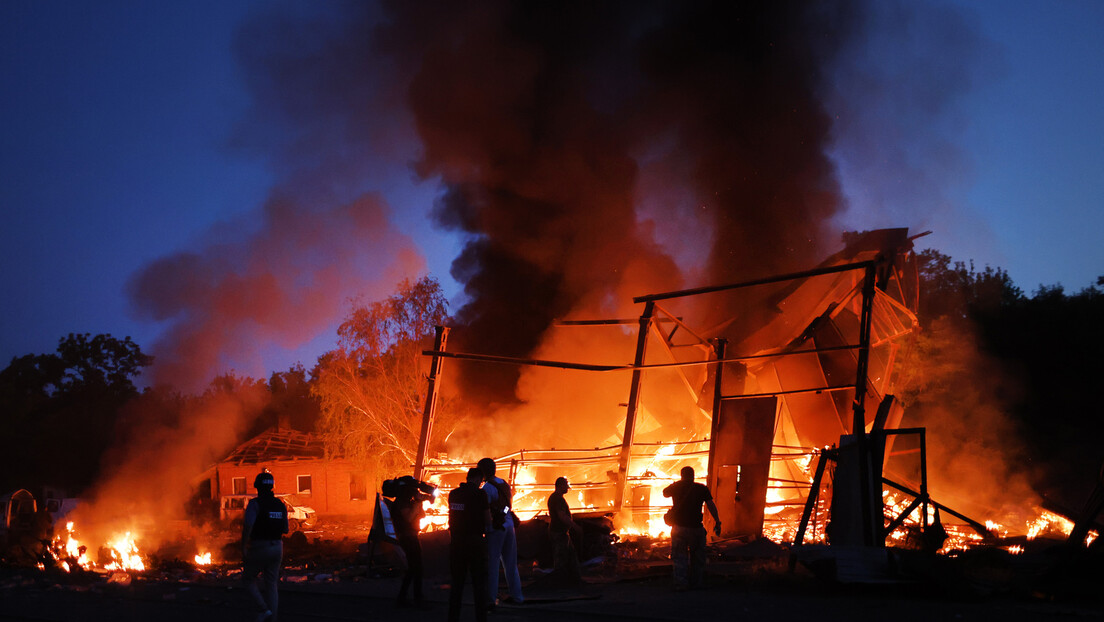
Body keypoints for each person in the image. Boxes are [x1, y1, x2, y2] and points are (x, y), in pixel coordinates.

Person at [662, 466, 721, 591]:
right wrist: (717, 521)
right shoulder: (701, 488)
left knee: (679, 557)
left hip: (679, 528)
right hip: (696, 528)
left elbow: (665, 493)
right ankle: (696, 583)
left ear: (682, 475)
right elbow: (711, 505)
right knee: (698, 558)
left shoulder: (676, 487)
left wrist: (675, 483)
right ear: (693, 475)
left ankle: (681, 584)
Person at [242, 471, 289, 621]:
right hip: (278, 547)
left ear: (257, 487)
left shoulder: (255, 504)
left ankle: (263, 609)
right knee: (271, 584)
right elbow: (286, 529)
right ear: (272, 487)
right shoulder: (281, 505)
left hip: (260, 546)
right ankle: (272, 618)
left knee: (248, 579)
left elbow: (248, 526)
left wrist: (243, 546)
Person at [478, 457, 524, 607]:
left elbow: (485, 509)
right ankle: (517, 596)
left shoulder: (487, 488)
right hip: (509, 525)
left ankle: (491, 599)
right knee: (510, 563)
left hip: (495, 529)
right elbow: (508, 506)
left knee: (492, 563)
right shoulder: (504, 484)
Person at [448, 467, 491, 622]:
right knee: (479, 584)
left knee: (457, 583)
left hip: (457, 543)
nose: (481, 483)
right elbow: (487, 519)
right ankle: (481, 618)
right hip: (475, 543)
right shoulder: (480, 494)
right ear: (478, 478)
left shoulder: (453, 494)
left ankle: (453, 618)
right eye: (481, 480)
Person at [392, 476, 433, 607]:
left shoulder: (407, 500)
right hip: (406, 537)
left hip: (412, 536)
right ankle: (415, 598)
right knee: (415, 567)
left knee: (415, 568)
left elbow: (421, 515)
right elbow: (409, 518)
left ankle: (406, 597)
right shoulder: (401, 502)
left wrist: (425, 499)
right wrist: (417, 502)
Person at [546, 476, 582, 583]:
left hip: (560, 532)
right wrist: (574, 526)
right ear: (560, 485)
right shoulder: (558, 499)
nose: (567, 488)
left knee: (569, 555)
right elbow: (562, 516)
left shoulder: (554, 497)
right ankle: (561, 582)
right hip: (559, 533)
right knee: (561, 558)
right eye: (566, 485)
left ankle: (573, 580)